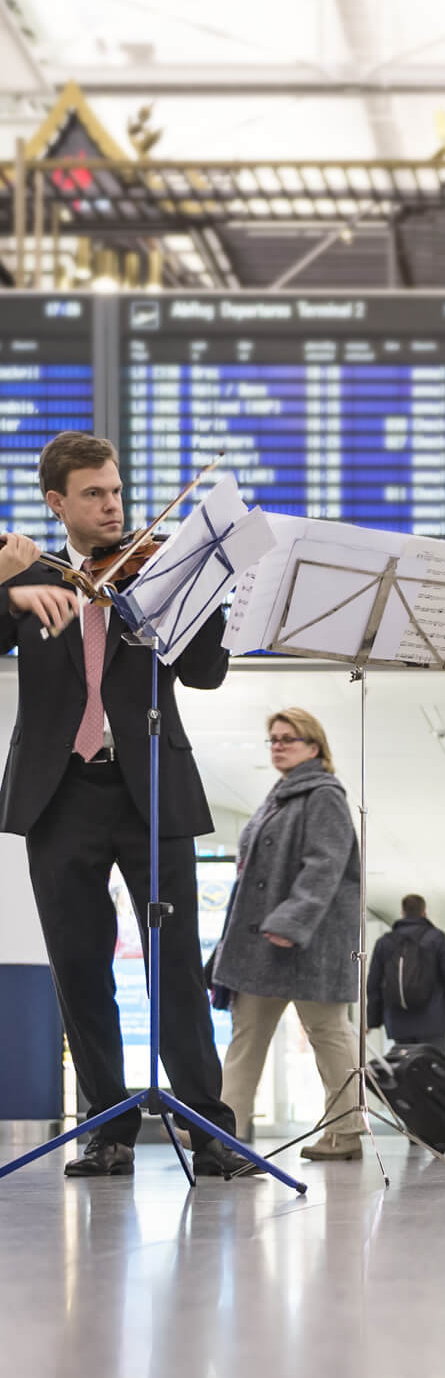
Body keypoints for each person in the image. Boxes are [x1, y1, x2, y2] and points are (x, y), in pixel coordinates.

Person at [0, 431, 240, 1177]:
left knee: (174, 968)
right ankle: (109, 1130)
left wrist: (188, 598)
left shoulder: (157, 571)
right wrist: (4, 590)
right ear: (56, 503)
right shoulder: (27, 574)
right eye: (94, 495)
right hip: (59, 791)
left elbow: (206, 673)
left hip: (153, 788)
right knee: (78, 967)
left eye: (117, 492)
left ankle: (210, 1131)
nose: (113, 507)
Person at [211, 708, 364, 1162]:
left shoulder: (323, 795)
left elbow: (325, 865)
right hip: (261, 944)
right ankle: (223, 1132)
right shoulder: (279, 798)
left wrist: (291, 921)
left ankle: (347, 1132)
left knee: (328, 1032)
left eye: (289, 738)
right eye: (273, 739)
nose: (278, 745)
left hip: (309, 943)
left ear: (314, 747)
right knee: (247, 1035)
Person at [366, 893, 445, 1053]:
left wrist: (372, 1020)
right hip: (434, 1021)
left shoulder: (385, 942)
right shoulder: (437, 938)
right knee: (434, 1072)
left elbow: (373, 983)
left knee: (405, 1071)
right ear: (424, 912)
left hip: (398, 1022)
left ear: (402, 913)